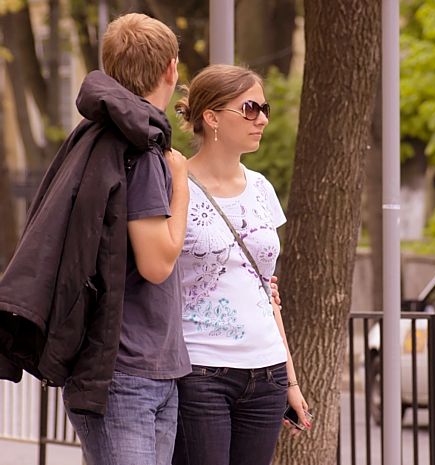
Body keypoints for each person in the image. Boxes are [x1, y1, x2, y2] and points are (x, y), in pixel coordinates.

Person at [0, 13, 190, 465]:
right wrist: (180, 181)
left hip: (147, 370)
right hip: (126, 374)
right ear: (171, 69)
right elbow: (156, 263)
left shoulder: (98, 135)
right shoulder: (140, 151)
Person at [172, 64, 310, 465]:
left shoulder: (263, 189)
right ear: (212, 117)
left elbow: (266, 292)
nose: (262, 119)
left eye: (263, 108)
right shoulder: (176, 184)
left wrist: (291, 381)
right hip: (201, 371)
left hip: (266, 372)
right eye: (250, 108)